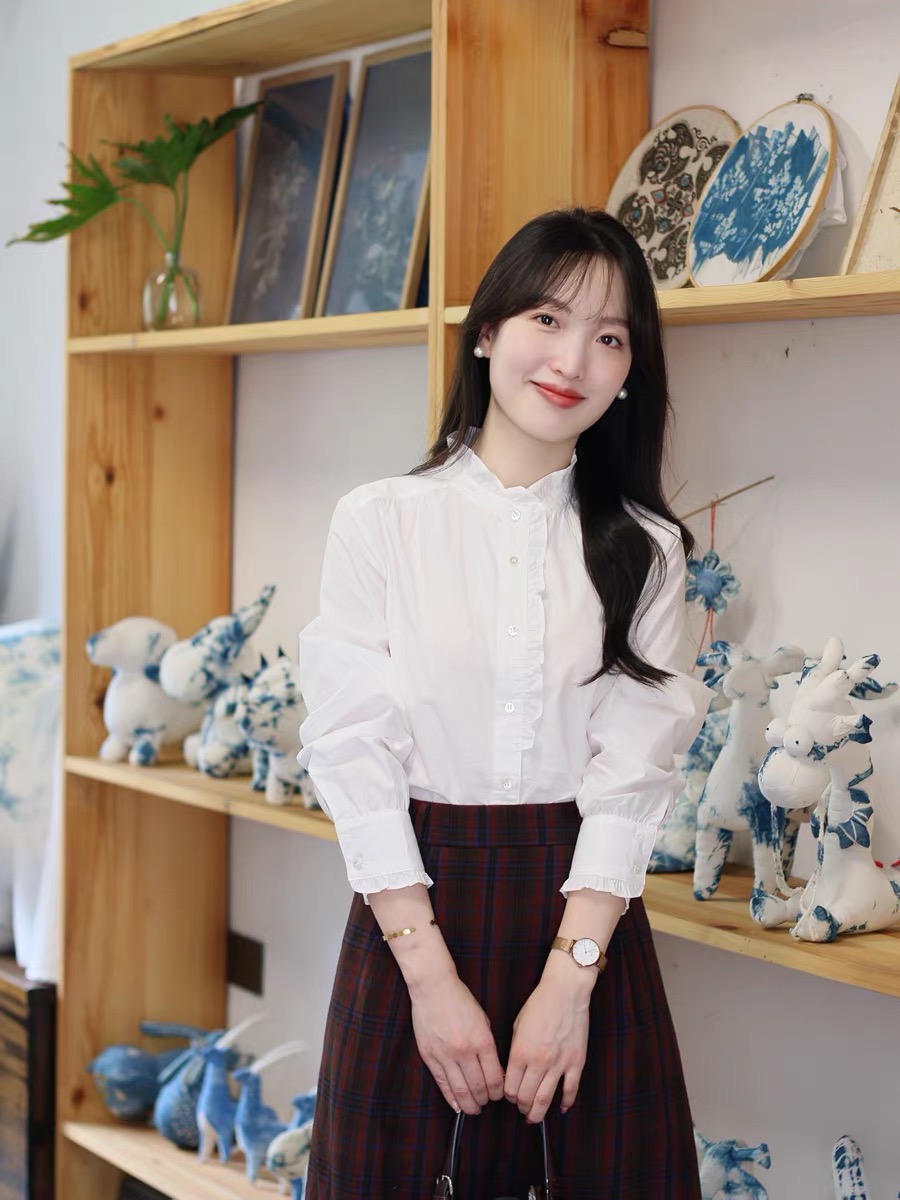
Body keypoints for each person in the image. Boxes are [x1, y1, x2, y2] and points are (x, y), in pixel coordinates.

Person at [297, 208, 711, 1199]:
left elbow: (634, 772)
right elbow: (352, 751)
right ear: (486, 331)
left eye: (610, 337)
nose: (573, 359)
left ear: (629, 372)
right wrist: (430, 979)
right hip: (413, 913)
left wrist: (571, 980)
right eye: (547, 319)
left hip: (585, 913)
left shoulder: (649, 550)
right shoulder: (380, 521)